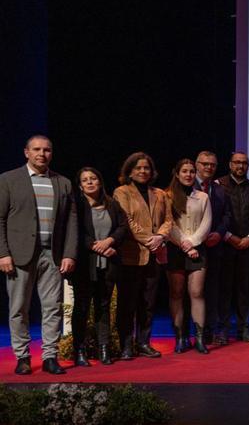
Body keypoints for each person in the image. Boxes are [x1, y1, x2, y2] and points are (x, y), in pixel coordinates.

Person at [0, 135, 77, 375]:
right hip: (19, 255)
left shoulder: (62, 182)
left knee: (52, 307)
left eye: (47, 150)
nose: (41, 154)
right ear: (26, 152)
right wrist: (3, 253)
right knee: (19, 307)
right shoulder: (8, 180)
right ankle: (22, 356)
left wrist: (69, 253)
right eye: (36, 149)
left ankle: (50, 356)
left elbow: (72, 221)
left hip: (52, 255)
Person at [113, 151, 172, 359]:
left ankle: (144, 342)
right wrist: (150, 239)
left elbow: (168, 220)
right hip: (132, 255)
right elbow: (127, 221)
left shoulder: (160, 194)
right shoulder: (122, 192)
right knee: (128, 303)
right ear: (129, 171)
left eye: (146, 168)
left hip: (155, 255)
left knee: (148, 303)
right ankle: (126, 345)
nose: (143, 171)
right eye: (138, 168)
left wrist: (161, 237)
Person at [72, 167, 127, 367]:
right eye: (85, 180)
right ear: (80, 185)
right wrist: (96, 246)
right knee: (82, 307)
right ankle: (79, 350)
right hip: (85, 266)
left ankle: (103, 349)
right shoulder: (76, 206)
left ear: (100, 182)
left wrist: (111, 242)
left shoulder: (112, 204)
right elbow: (74, 231)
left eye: (93, 178)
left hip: (109, 264)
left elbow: (123, 227)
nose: (89, 182)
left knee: (103, 307)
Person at [165, 159, 212, 354]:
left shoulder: (202, 197)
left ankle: (199, 338)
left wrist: (193, 242)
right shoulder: (166, 196)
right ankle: (180, 338)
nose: (189, 175)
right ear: (177, 173)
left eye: (192, 171)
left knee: (197, 293)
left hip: (197, 248)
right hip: (176, 248)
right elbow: (168, 224)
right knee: (176, 293)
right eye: (184, 171)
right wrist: (185, 244)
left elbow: (207, 222)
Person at [218, 151, 249, 343]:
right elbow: (215, 215)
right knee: (224, 289)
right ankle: (222, 330)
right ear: (230, 165)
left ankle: (243, 329)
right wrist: (229, 237)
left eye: (244, 163)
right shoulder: (219, 185)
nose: (240, 166)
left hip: (246, 246)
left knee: (244, 290)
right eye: (237, 163)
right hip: (224, 246)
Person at [194, 150, 231, 345]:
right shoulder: (186, 185)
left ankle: (209, 331)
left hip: (215, 246)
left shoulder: (219, 190)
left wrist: (219, 233)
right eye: (205, 164)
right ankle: (188, 333)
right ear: (196, 165)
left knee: (213, 291)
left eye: (213, 165)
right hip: (191, 248)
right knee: (192, 292)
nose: (209, 167)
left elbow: (227, 216)